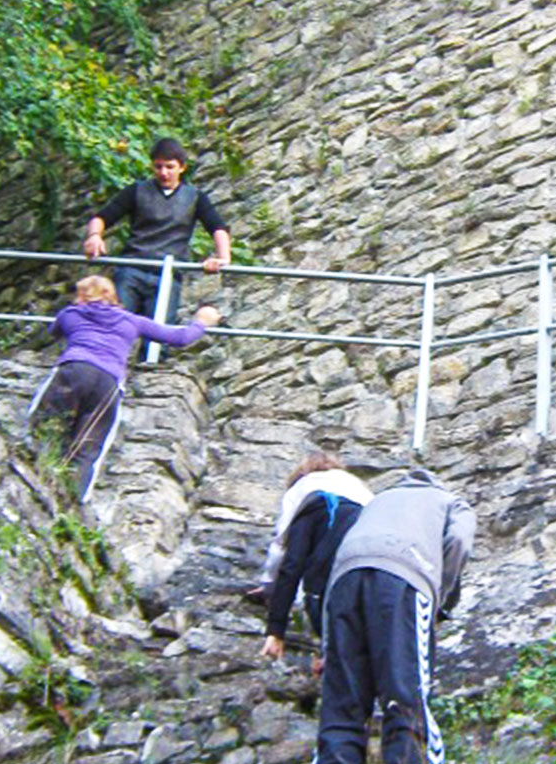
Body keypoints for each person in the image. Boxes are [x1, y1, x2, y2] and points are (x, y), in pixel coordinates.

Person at [312, 468, 476, 764]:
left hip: (343, 582)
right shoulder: (449, 501)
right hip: (402, 578)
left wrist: (328, 645)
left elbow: (334, 552)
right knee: (405, 682)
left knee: (343, 695)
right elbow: (459, 542)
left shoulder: (375, 503)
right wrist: (439, 595)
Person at [28, 275, 220, 500]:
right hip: (108, 382)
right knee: (90, 444)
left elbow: (54, 331)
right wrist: (202, 321)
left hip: (74, 369)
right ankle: (72, 500)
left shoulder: (70, 314)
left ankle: (32, 469)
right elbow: (180, 337)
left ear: (81, 295)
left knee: (44, 420)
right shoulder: (131, 321)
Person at [83, 137, 231, 323]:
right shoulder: (136, 191)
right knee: (113, 326)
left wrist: (222, 257)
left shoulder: (195, 197)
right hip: (131, 269)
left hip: (167, 275)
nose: (163, 173)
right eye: (158, 167)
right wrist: (95, 236)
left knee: (157, 340)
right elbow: (102, 218)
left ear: (182, 167)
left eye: (169, 167)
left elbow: (217, 227)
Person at [256, 454, 373, 663]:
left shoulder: (304, 489)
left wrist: (275, 624)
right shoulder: (361, 489)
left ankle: (331, 663)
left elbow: (286, 555)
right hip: (373, 564)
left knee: (323, 608)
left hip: (330, 569)